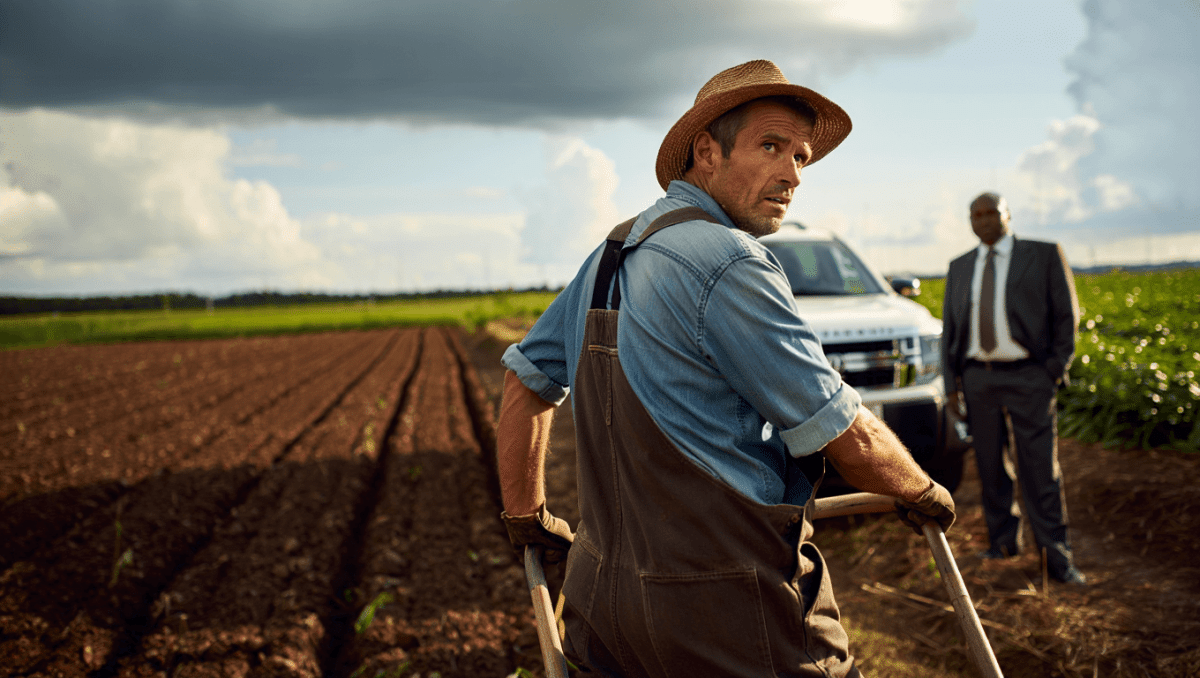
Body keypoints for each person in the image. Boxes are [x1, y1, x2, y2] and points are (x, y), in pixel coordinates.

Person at [496, 60, 956, 677]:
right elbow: (844, 432)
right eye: (771, 146)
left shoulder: (612, 252)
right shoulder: (732, 261)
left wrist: (526, 517)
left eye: (802, 156)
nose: (793, 173)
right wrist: (920, 490)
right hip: (725, 610)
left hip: (600, 606)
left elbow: (525, 384)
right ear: (706, 153)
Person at [942, 192, 1085, 585]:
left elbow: (1067, 317)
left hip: (1029, 377)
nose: (984, 220)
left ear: (1008, 215)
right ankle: (1003, 543)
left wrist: (1052, 371)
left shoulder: (1042, 255)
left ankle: (1056, 558)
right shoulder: (960, 266)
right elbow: (950, 332)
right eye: (976, 214)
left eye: (992, 213)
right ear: (970, 221)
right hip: (977, 379)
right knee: (990, 466)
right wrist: (952, 383)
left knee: (1040, 468)